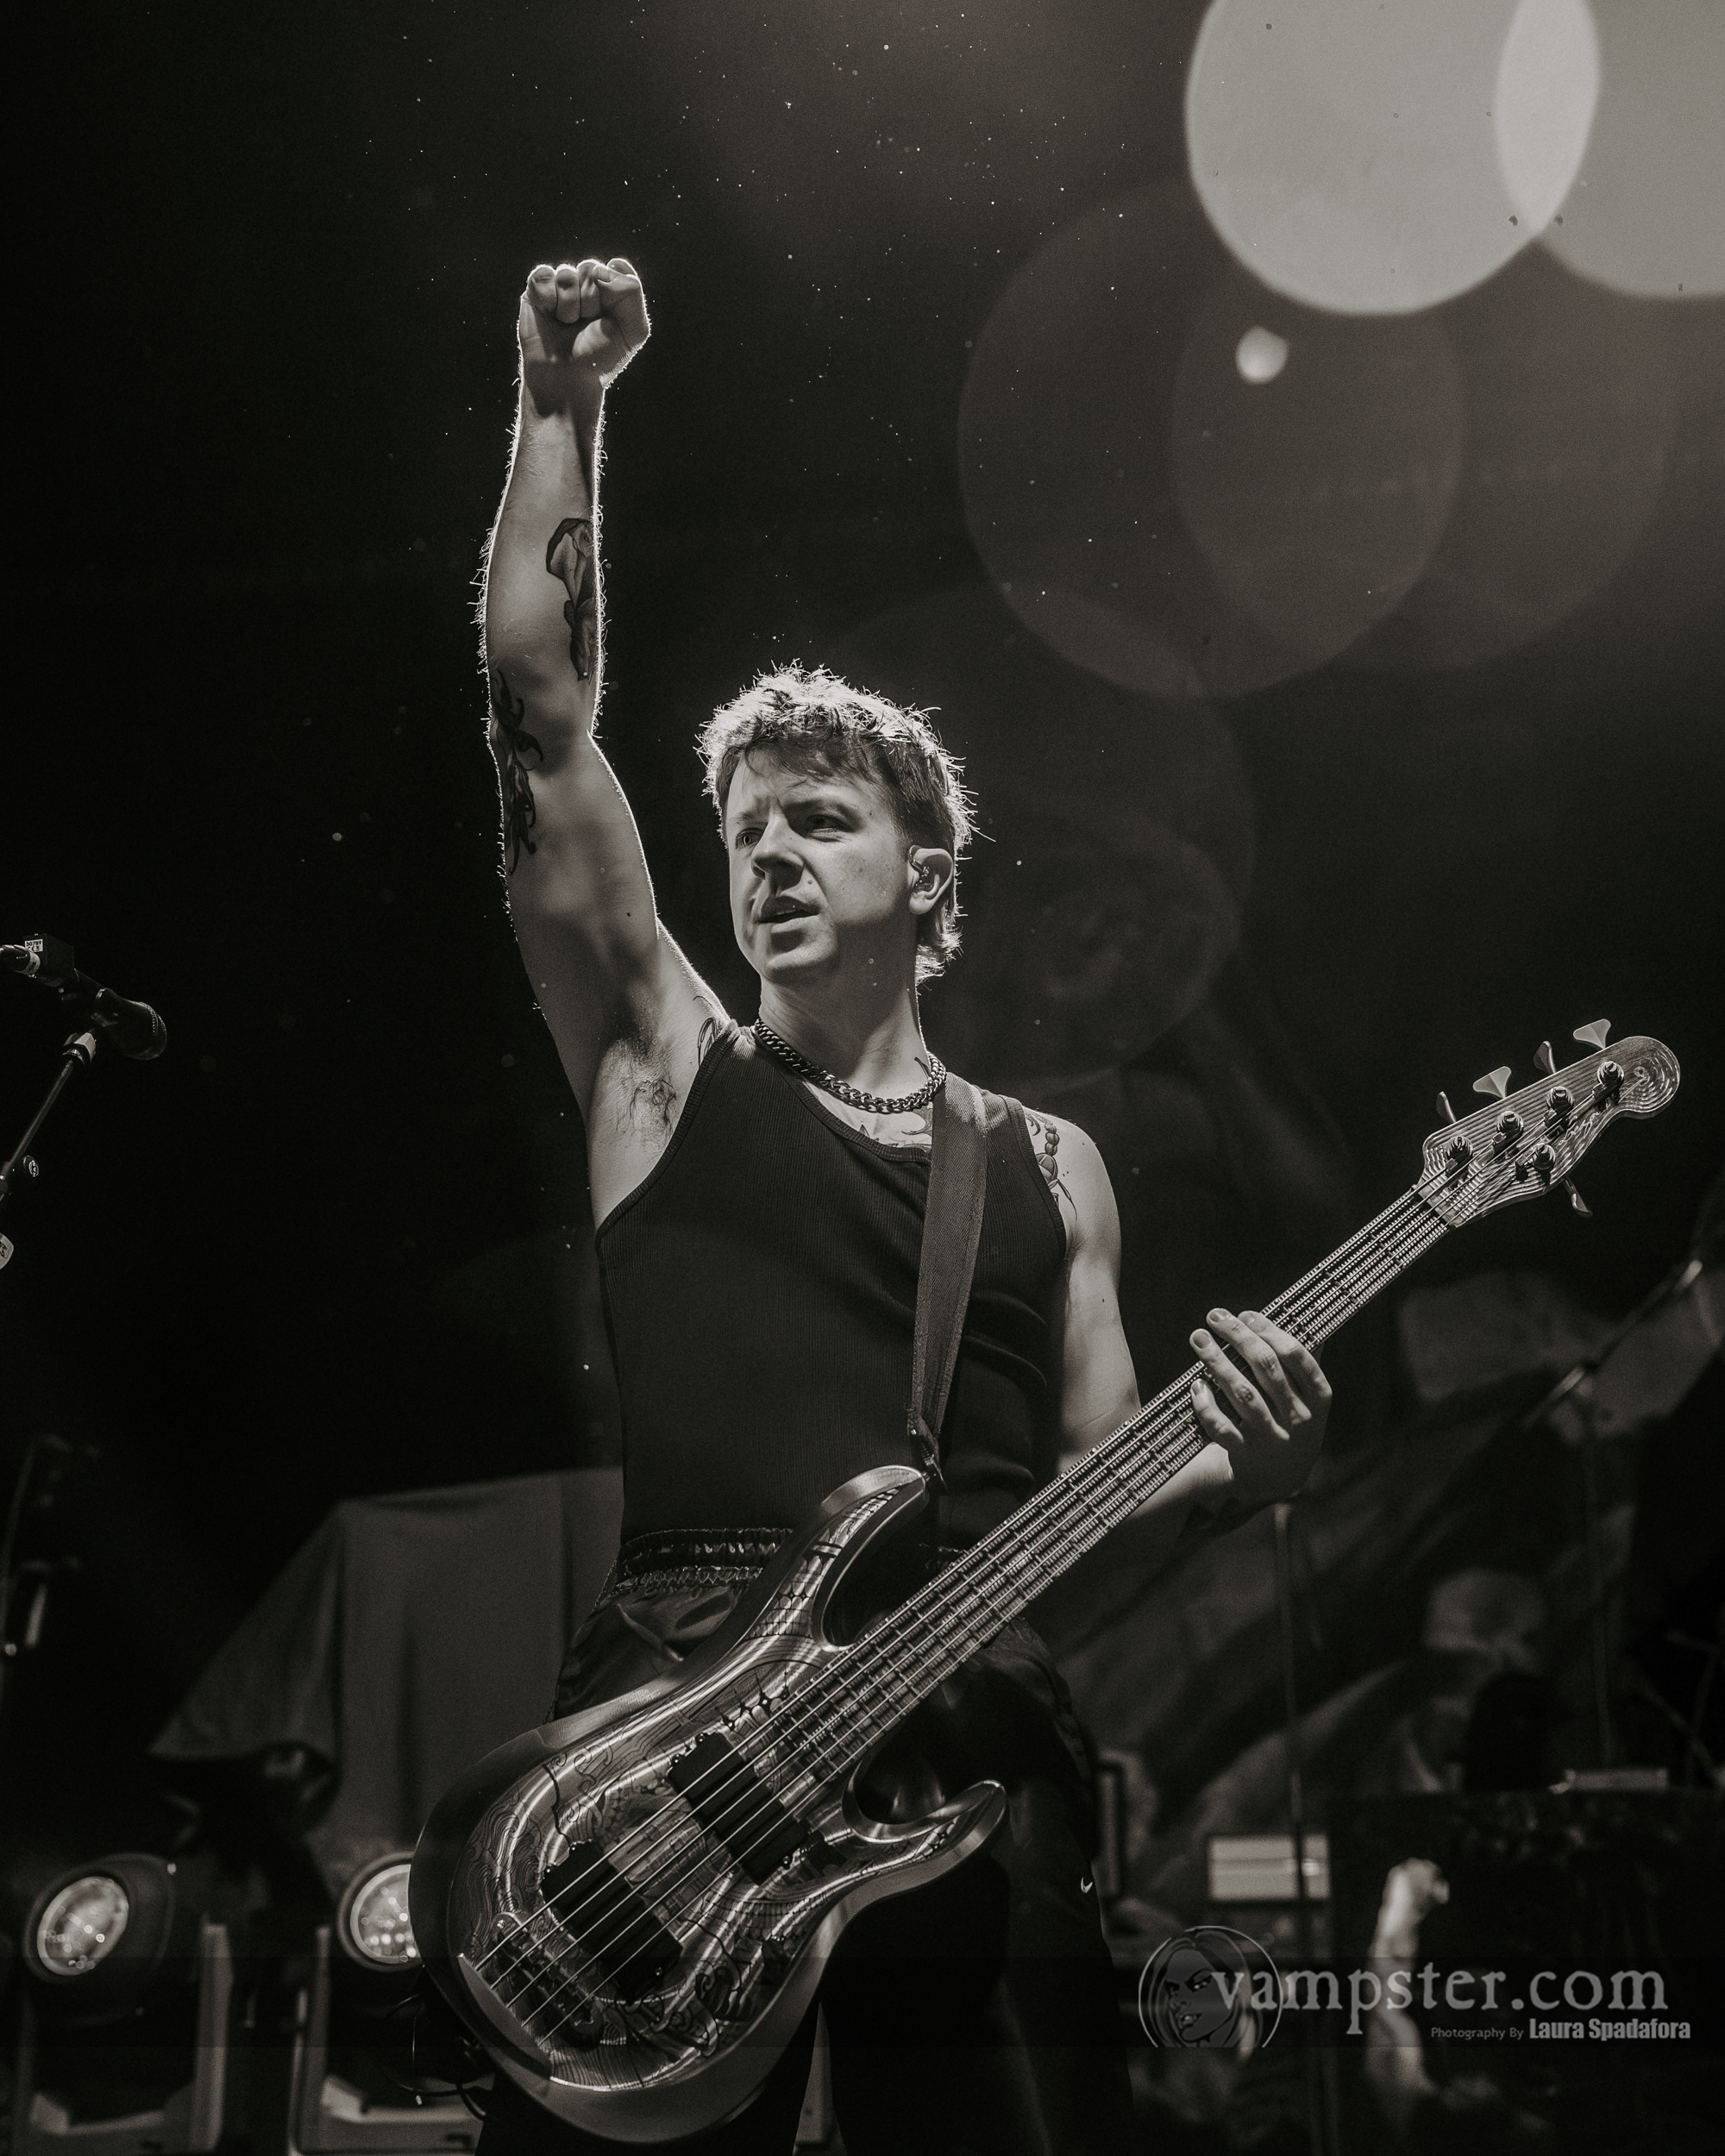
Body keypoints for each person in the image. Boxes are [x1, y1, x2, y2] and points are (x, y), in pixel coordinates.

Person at [470, 253, 1334, 2156]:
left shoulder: (1045, 1165)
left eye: (819, 818)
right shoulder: (663, 1071)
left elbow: (1106, 1485)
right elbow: (538, 717)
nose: (767, 853)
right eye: (744, 829)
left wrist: (1251, 1467)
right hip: (670, 1753)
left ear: (930, 880)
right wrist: (560, 409)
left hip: (967, 1756)